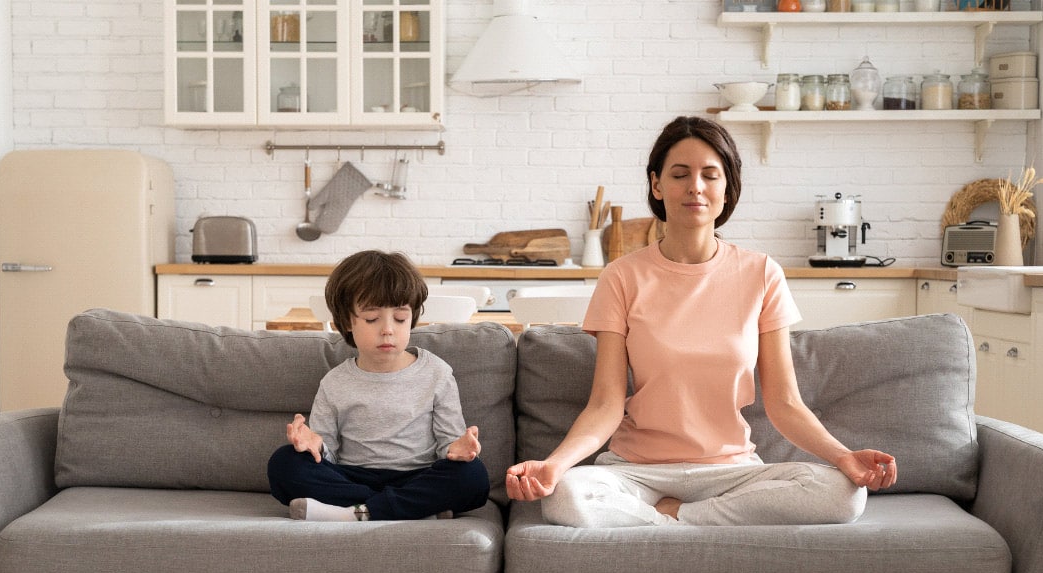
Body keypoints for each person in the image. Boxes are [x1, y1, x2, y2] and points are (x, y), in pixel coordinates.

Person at [505, 116, 897, 528]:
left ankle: (674, 518)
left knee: (843, 496)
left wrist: (843, 457)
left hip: (729, 470)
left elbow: (785, 404)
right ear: (657, 185)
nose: (695, 186)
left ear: (727, 189)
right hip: (638, 469)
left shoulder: (762, 273)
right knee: (566, 496)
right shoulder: (622, 276)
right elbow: (605, 404)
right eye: (680, 174)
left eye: (710, 175)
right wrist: (554, 465)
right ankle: (700, 524)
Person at [267, 250, 490, 522]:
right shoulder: (335, 382)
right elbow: (328, 455)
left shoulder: (437, 373)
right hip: (354, 475)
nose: (388, 329)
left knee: (473, 477)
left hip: (418, 475)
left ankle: (355, 513)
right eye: (372, 319)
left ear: (412, 318)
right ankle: (410, 508)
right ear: (348, 321)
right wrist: (314, 444)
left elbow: (449, 447)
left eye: (400, 318)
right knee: (284, 464)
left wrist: (461, 449)